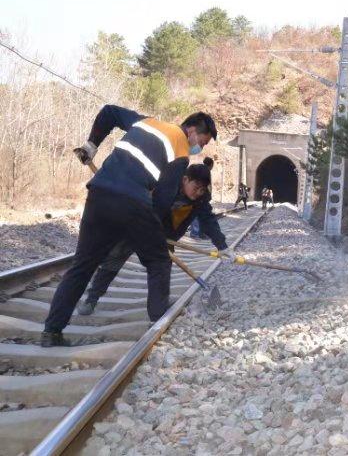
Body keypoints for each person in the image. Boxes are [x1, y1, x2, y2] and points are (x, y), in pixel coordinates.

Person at [41, 105, 217, 347]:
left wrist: (92, 144)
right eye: (203, 142)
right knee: (158, 261)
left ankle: (51, 332)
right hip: (133, 202)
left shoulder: (146, 122)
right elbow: (164, 199)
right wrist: (153, 233)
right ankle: (158, 322)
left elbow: (109, 112)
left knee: (82, 266)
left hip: (99, 193)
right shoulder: (180, 150)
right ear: (192, 130)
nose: (201, 148)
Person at [77, 163, 234, 315]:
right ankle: (92, 298)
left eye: (201, 189)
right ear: (185, 180)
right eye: (196, 187)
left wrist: (222, 245)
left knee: (163, 266)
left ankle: (160, 304)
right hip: (137, 225)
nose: (197, 192)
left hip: (166, 235)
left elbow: (208, 220)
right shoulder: (167, 183)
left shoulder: (201, 198)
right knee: (114, 258)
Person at [189, 157, 215, 240]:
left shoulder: (199, 169)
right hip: (200, 196)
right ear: (210, 165)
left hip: (199, 195)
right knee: (198, 214)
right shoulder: (205, 171)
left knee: (200, 214)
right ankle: (196, 233)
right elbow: (206, 185)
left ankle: (200, 233)